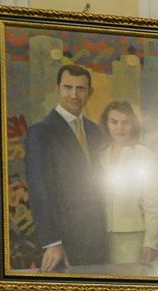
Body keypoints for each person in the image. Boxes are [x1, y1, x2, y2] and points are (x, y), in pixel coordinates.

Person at [24, 64, 107, 271]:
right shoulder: (41, 132)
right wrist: (52, 242)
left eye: (80, 88)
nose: (74, 94)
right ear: (57, 89)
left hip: (97, 235)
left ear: (90, 92)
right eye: (68, 87)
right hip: (63, 240)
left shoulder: (95, 130)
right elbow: (39, 189)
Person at [95, 100, 158, 266]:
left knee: (126, 285)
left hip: (131, 235)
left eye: (125, 122)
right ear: (106, 124)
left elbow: (152, 203)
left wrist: (151, 242)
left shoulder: (144, 155)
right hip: (99, 234)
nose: (120, 128)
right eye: (114, 122)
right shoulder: (99, 155)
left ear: (133, 125)